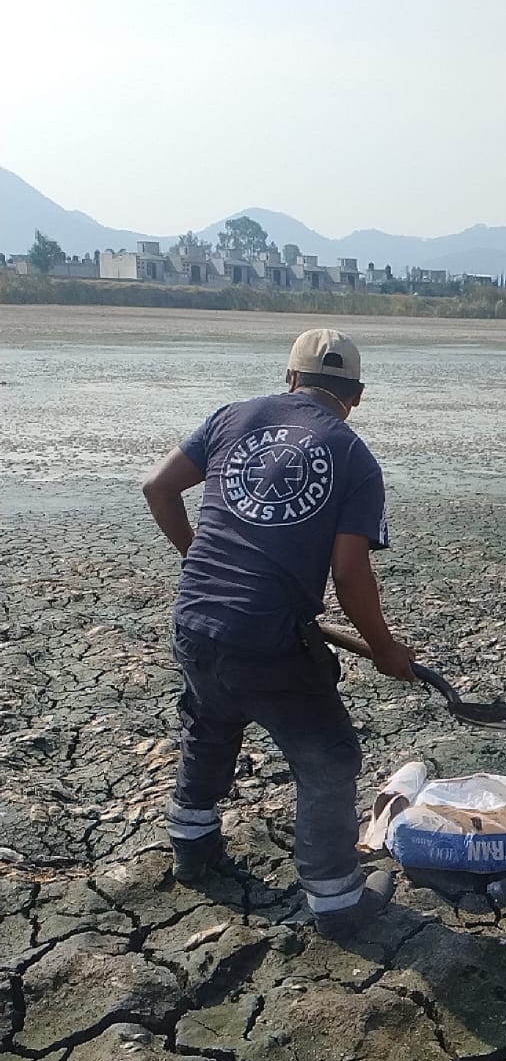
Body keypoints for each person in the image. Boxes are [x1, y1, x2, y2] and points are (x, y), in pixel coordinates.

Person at [142, 327, 416, 932]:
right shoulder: (352, 456)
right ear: (358, 394)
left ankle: (192, 846)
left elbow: (158, 487)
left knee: (209, 721)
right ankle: (335, 896)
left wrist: (197, 558)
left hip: (196, 619)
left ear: (290, 379)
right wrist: (387, 649)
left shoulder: (230, 416)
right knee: (329, 755)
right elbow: (349, 571)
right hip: (269, 636)